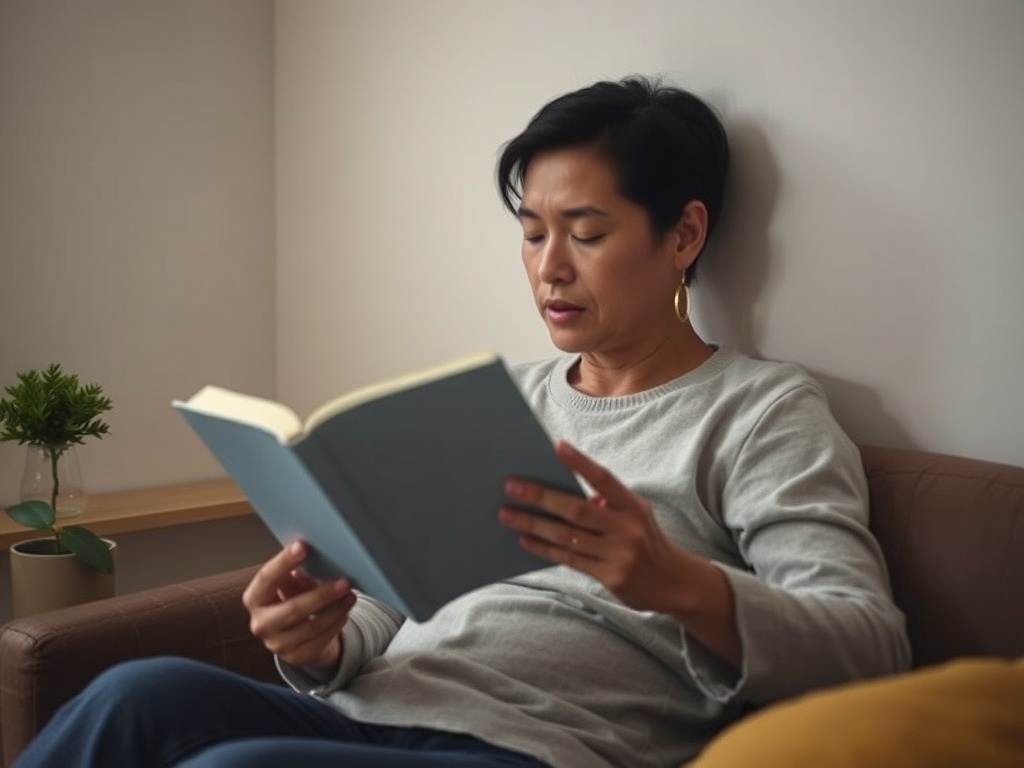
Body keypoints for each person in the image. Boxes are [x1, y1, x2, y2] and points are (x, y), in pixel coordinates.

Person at [15, 75, 910, 768]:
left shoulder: (761, 411)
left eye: (586, 234)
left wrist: (675, 581)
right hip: (373, 716)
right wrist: (323, 642)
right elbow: (386, 599)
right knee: (135, 693)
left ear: (683, 235)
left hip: (532, 749)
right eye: (532, 232)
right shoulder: (504, 397)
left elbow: (870, 644)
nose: (549, 268)